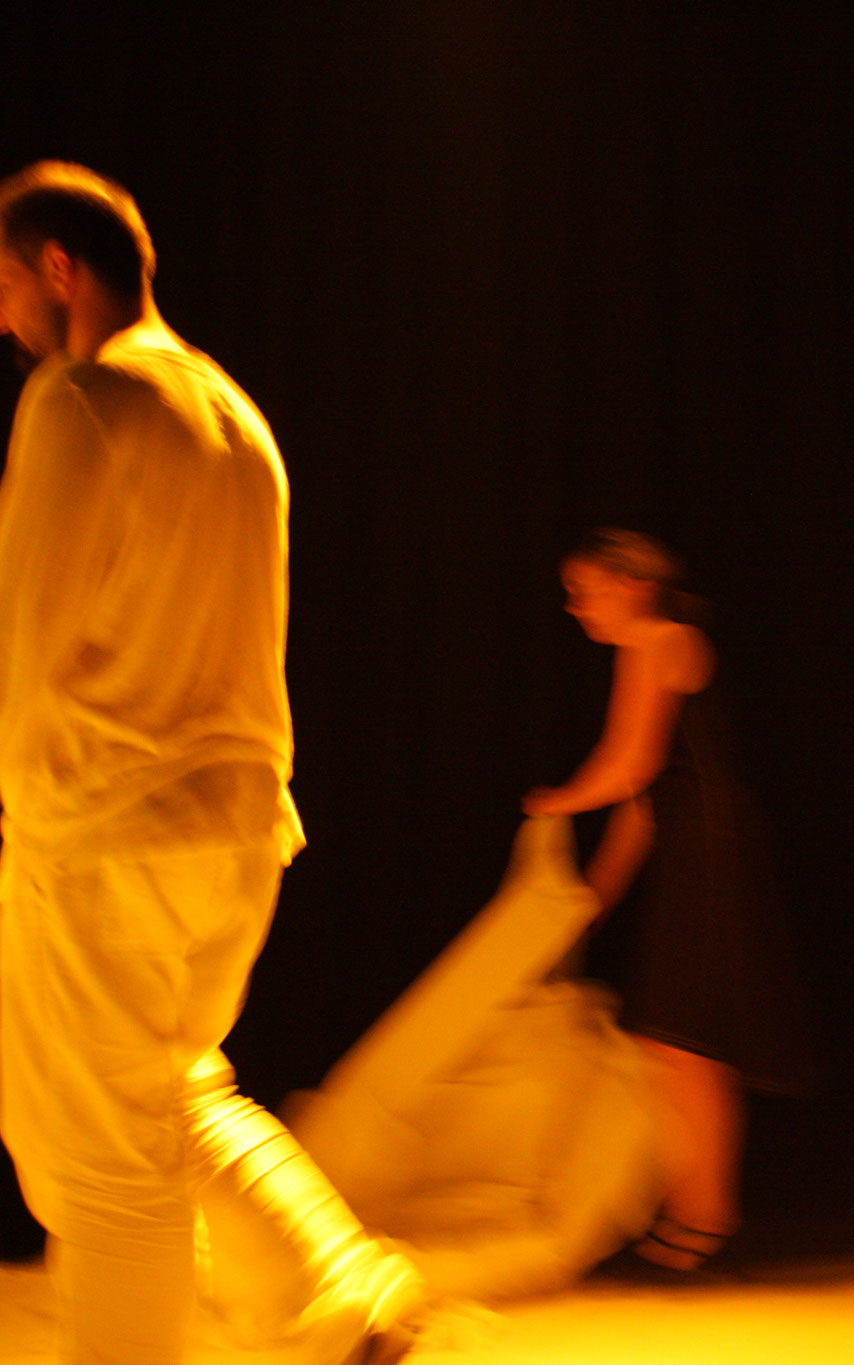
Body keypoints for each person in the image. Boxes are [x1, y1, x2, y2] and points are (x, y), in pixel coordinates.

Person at [0, 162, 421, 1365]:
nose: (3, 317)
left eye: (6, 283)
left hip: (108, 831)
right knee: (169, 1091)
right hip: (234, 830)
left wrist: (22, 812)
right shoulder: (235, 417)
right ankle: (343, 1292)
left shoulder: (86, 398)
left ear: (60, 269)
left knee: (102, 1155)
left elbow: (27, 631)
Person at [525, 528, 809, 1274]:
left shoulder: (657, 638)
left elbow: (629, 765)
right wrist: (598, 892)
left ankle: (706, 1214)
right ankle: (696, 1207)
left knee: (687, 1042)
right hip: (697, 849)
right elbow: (645, 801)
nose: (575, 606)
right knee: (671, 1043)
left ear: (634, 586)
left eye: (585, 590)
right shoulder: (657, 644)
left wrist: (553, 803)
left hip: (710, 851)